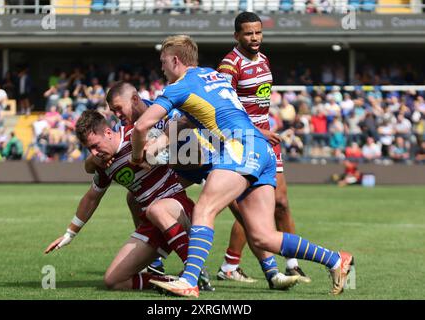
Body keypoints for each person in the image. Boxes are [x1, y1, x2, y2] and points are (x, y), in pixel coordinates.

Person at [131, 34, 354, 297]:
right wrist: (154, 149)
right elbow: (183, 123)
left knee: (204, 207)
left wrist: (137, 157)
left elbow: (140, 125)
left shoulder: (178, 87)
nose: (162, 68)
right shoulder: (210, 75)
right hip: (261, 149)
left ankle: (189, 281)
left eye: (163, 62)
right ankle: (336, 260)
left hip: (240, 147)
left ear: (175, 60)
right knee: (262, 236)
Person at [45, 110, 197, 291]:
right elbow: (92, 197)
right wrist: (70, 234)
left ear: (108, 133)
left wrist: (160, 148)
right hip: (152, 222)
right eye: (89, 149)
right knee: (114, 280)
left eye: (95, 146)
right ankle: (170, 282)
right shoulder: (104, 164)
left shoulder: (137, 134)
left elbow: (180, 124)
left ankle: (193, 274)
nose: (94, 153)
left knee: (154, 209)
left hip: (177, 206)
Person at [83, 84, 214, 291]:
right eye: (112, 111)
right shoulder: (125, 131)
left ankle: (247, 266)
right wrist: (94, 161)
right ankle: (155, 260)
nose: (117, 115)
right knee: (134, 198)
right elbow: (93, 161)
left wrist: (158, 158)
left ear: (134, 100)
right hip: (177, 173)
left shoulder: (165, 114)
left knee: (248, 216)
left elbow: (197, 159)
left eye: (118, 108)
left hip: (211, 163)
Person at [215, 11, 308, 283]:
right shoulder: (229, 66)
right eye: (248, 33)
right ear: (236, 36)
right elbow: (225, 110)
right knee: (250, 208)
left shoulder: (264, 59)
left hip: (266, 139)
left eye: (258, 32)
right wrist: (257, 131)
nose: (254, 38)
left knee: (281, 203)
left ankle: (291, 263)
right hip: (243, 141)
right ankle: (229, 266)